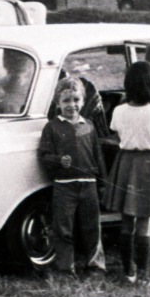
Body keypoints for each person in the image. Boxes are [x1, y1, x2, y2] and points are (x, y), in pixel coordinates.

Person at [104, 60, 150, 283]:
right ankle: (143, 275)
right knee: (145, 223)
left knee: (126, 221)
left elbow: (117, 138)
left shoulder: (118, 111)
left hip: (125, 164)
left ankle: (128, 272)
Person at [38, 77, 105, 277]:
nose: (72, 105)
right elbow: (43, 155)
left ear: (83, 102)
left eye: (76, 100)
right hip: (64, 185)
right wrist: (58, 161)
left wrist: (102, 183)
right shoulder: (52, 127)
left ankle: (95, 266)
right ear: (57, 103)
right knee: (63, 228)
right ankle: (66, 268)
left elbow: (98, 155)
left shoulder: (89, 126)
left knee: (92, 227)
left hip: (88, 184)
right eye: (66, 101)